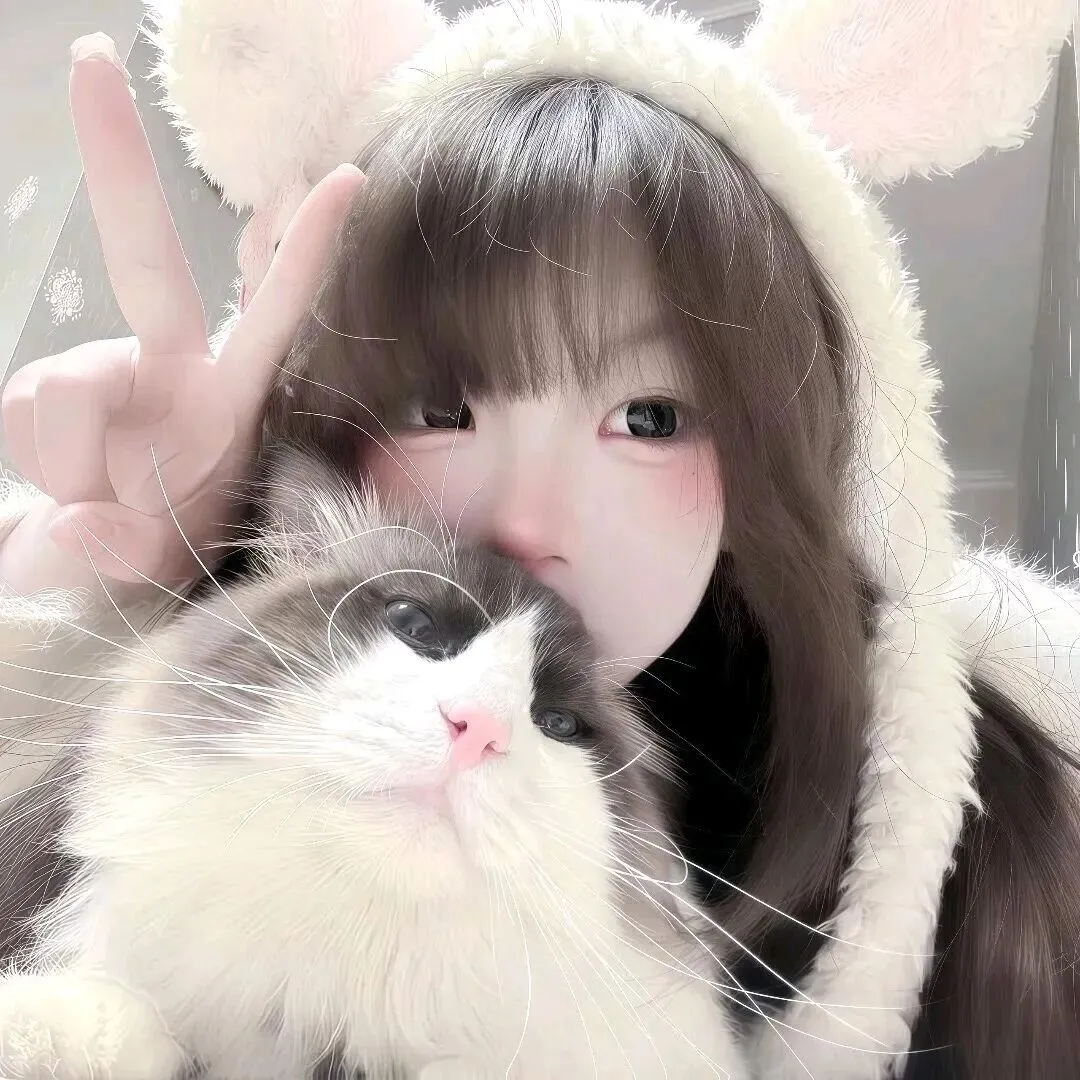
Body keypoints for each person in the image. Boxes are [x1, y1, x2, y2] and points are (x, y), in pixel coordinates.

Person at [1, 2, 1078, 1078]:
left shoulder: (1004, 852)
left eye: (649, 418)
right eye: (442, 407)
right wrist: (147, 587)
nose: (530, 515)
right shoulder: (275, 634)